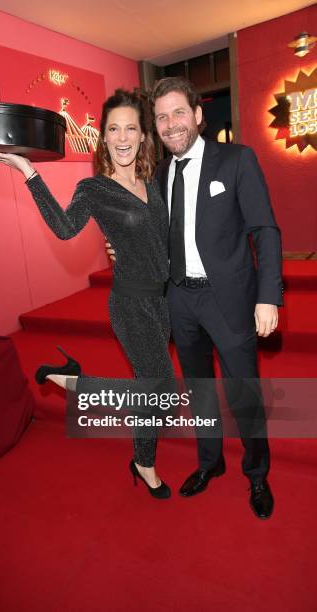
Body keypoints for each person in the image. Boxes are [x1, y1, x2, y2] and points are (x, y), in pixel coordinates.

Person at [0, 89, 174, 499]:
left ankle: (141, 458)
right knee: (161, 389)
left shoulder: (151, 181)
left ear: (143, 136)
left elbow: (161, 239)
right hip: (130, 304)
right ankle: (78, 386)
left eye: (131, 128)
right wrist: (29, 173)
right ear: (103, 137)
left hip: (162, 301)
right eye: (114, 129)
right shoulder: (94, 189)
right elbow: (66, 228)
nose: (123, 137)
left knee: (150, 391)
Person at [108, 77, 283, 519]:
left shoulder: (237, 160)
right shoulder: (159, 175)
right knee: (200, 391)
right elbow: (151, 239)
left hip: (230, 300)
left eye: (178, 113)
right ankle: (211, 462)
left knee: (244, 392)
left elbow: (264, 230)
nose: (170, 124)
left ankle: (257, 473)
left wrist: (268, 296)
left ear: (198, 115)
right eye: (162, 117)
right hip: (179, 301)